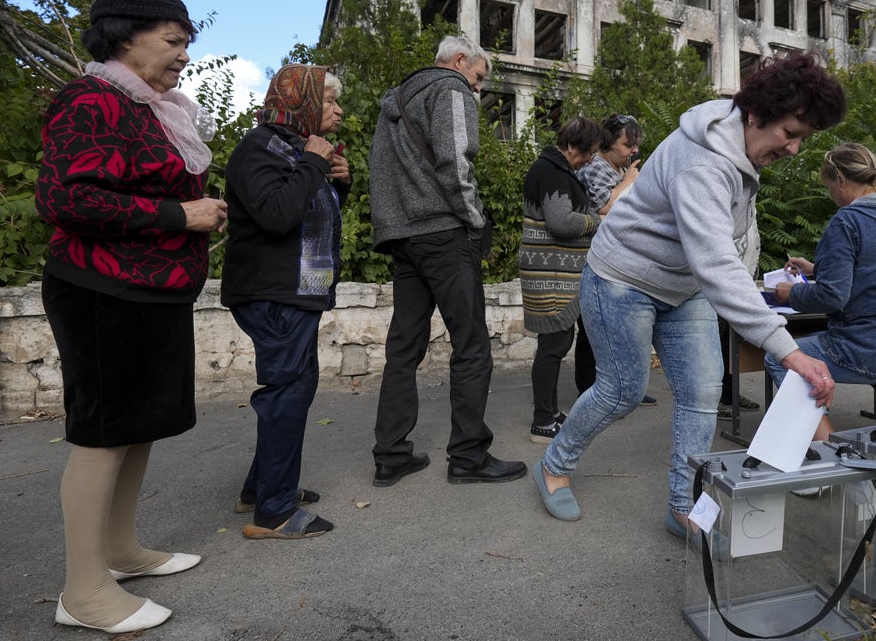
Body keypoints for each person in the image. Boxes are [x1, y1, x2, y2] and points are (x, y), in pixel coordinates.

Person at [532, 52, 845, 534]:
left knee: (702, 390)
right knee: (622, 391)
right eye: (791, 133)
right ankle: (554, 464)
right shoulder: (703, 163)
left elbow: (729, 245)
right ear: (758, 115)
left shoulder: (740, 147)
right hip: (623, 279)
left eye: (803, 138)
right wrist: (788, 350)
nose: (795, 149)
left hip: (683, 286)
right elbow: (716, 261)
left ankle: (685, 506)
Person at [36, 0, 228, 633]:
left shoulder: (153, 107)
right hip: (100, 290)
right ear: (127, 34)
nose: (183, 56)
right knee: (104, 430)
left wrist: (197, 217)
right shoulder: (91, 99)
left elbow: (143, 194)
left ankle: (118, 551)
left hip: (149, 289)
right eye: (175, 41)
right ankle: (83, 591)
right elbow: (66, 199)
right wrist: (181, 211)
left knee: (137, 422)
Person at [368, 36, 527, 486]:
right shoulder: (450, 89)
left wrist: (392, 227)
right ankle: (468, 456)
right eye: (478, 77)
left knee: (403, 349)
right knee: (472, 345)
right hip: (443, 234)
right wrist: (474, 220)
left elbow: (381, 172)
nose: (477, 88)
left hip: (403, 239)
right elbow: (456, 162)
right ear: (459, 62)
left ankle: (391, 454)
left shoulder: (394, 101)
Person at [221, 64, 350, 540]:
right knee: (286, 393)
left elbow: (308, 215)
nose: (339, 110)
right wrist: (316, 163)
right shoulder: (259, 147)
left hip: (294, 293)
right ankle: (274, 511)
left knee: (293, 389)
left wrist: (337, 181)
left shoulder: (293, 148)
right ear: (307, 104)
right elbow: (276, 216)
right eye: (331, 101)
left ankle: (261, 489)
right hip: (272, 293)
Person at [765, 143, 876, 439]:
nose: (830, 195)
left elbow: (832, 298)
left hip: (873, 349)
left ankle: (829, 454)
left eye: (828, 186)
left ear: (840, 179)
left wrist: (789, 295)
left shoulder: (847, 221)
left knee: (780, 356)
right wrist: (817, 269)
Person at [521, 116, 604, 444]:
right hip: (549, 273)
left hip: (553, 272)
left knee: (556, 343)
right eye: (588, 152)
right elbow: (561, 222)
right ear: (571, 145)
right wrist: (596, 221)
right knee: (553, 345)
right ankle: (542, 421)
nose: (589, 159)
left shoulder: (555, 170)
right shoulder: (550, 171)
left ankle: (551, 412)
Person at [576, 114, 658, 408]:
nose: (633, 151)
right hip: (597, 259)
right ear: (608, 143)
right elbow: (604, 207)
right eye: (627, 144)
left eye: (635, 145)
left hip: (622, 258)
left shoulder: (617, 168)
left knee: (620, 329)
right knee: (591, 330)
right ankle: (589, 390)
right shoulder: (596, 167)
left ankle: (625, 390)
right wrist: (628, 182)